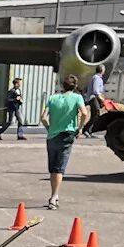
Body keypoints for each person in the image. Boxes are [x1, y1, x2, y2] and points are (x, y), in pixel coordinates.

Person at [40, 73, 90, 211]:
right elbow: (84, 113)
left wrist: (49, 128)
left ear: (63, 85)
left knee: (53, 168)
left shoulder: (53, 98)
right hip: (67, 134)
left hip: (52, 136)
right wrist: (80, 128)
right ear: (75, 86)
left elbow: (43, 117)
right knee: (59, 168)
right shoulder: (77, 97)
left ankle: (53, 195)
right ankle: (54, 197)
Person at [0, 77, 27, 141]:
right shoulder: (11, 91)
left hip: (16, 108)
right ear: (16, 84)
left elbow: (18, 99)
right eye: (19, 83)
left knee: (20, 121)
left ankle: (20, 135)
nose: (20, 84)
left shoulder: (19, 90)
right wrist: (16, 99)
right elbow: (8, 99)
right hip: (11, 109)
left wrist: (20, 101)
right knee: (9, 122)